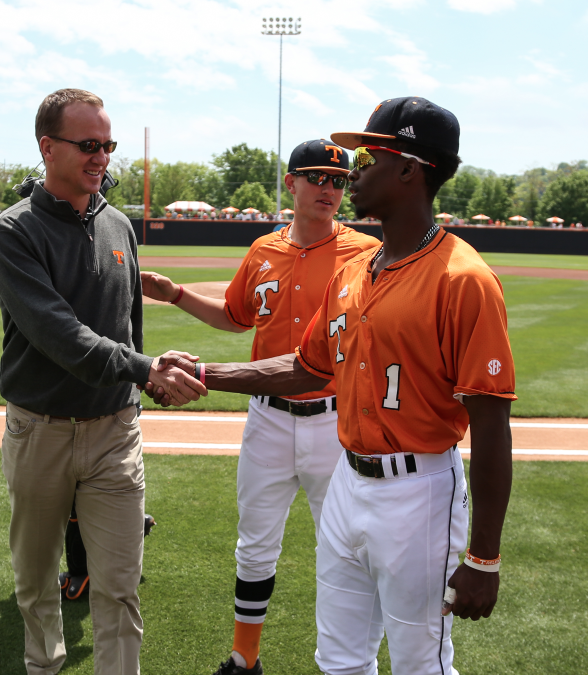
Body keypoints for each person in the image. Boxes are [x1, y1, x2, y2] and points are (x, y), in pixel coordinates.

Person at [150, 97, 516, 675]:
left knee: (421, 662)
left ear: (409, 169)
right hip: (346, 476)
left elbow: (493, 425)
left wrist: (485, 557)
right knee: (340, 659)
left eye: (369, 155)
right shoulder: (354, 272)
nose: (354, 169)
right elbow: (303, 366)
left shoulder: (463, 279)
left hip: (417, 491)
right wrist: (203, 374)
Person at [0, 88, 206, 675]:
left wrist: (144, 380)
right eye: (88, 145)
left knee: (120, 587)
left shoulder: (118, 225)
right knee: (35, 585)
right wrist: (144, 368)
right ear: (47, 147)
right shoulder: (13, 232)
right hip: (40, 434)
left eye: (108, 145)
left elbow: (127, 326)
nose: (101, 157)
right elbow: (58, 334)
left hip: (114, 433)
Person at [142, 139, 379, 675]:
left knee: (344, 550)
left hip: (335, 421)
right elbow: (235, 315)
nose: (329, 188)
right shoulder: (263, 249)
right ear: (291, 183)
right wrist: (176, 294)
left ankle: (349, 665)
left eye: (338, 180)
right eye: (316, 177)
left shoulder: (364, 252)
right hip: (268, 419)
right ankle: (243, 658)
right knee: (254, 544)